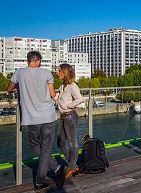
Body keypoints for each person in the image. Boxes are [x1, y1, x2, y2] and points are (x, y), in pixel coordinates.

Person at [6, 51, 65, 191]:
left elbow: (8, 89)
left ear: (28, 61)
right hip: (48, 116)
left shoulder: (19, 73)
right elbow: (52, 94)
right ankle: (55, 170)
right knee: (45, 148)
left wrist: (20, 87)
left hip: (31, 118)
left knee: (34, 145)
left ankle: (45, 177)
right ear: (38, 61)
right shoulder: (46, 74)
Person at [53, 64, 83, 178]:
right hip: (63, 116)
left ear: (64, 72)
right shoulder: (62, 85)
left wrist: (69, 106)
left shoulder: (72, 86)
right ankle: (73, 164)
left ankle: (71, 166)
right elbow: (57, 98)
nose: (57, 73)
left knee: (72, 143)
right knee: (60, 143)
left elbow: (80, 98)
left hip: (70, 116)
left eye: (59, 71)